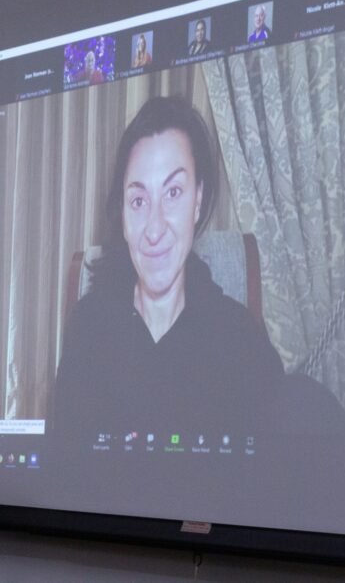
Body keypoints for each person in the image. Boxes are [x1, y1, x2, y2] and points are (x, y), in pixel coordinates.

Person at [52, 97, 285, 437]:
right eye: (139, 200)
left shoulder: (240, 340)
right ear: (123, 212)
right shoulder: (88, 331)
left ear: (198, 200)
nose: (155, 228)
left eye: (174, 192)